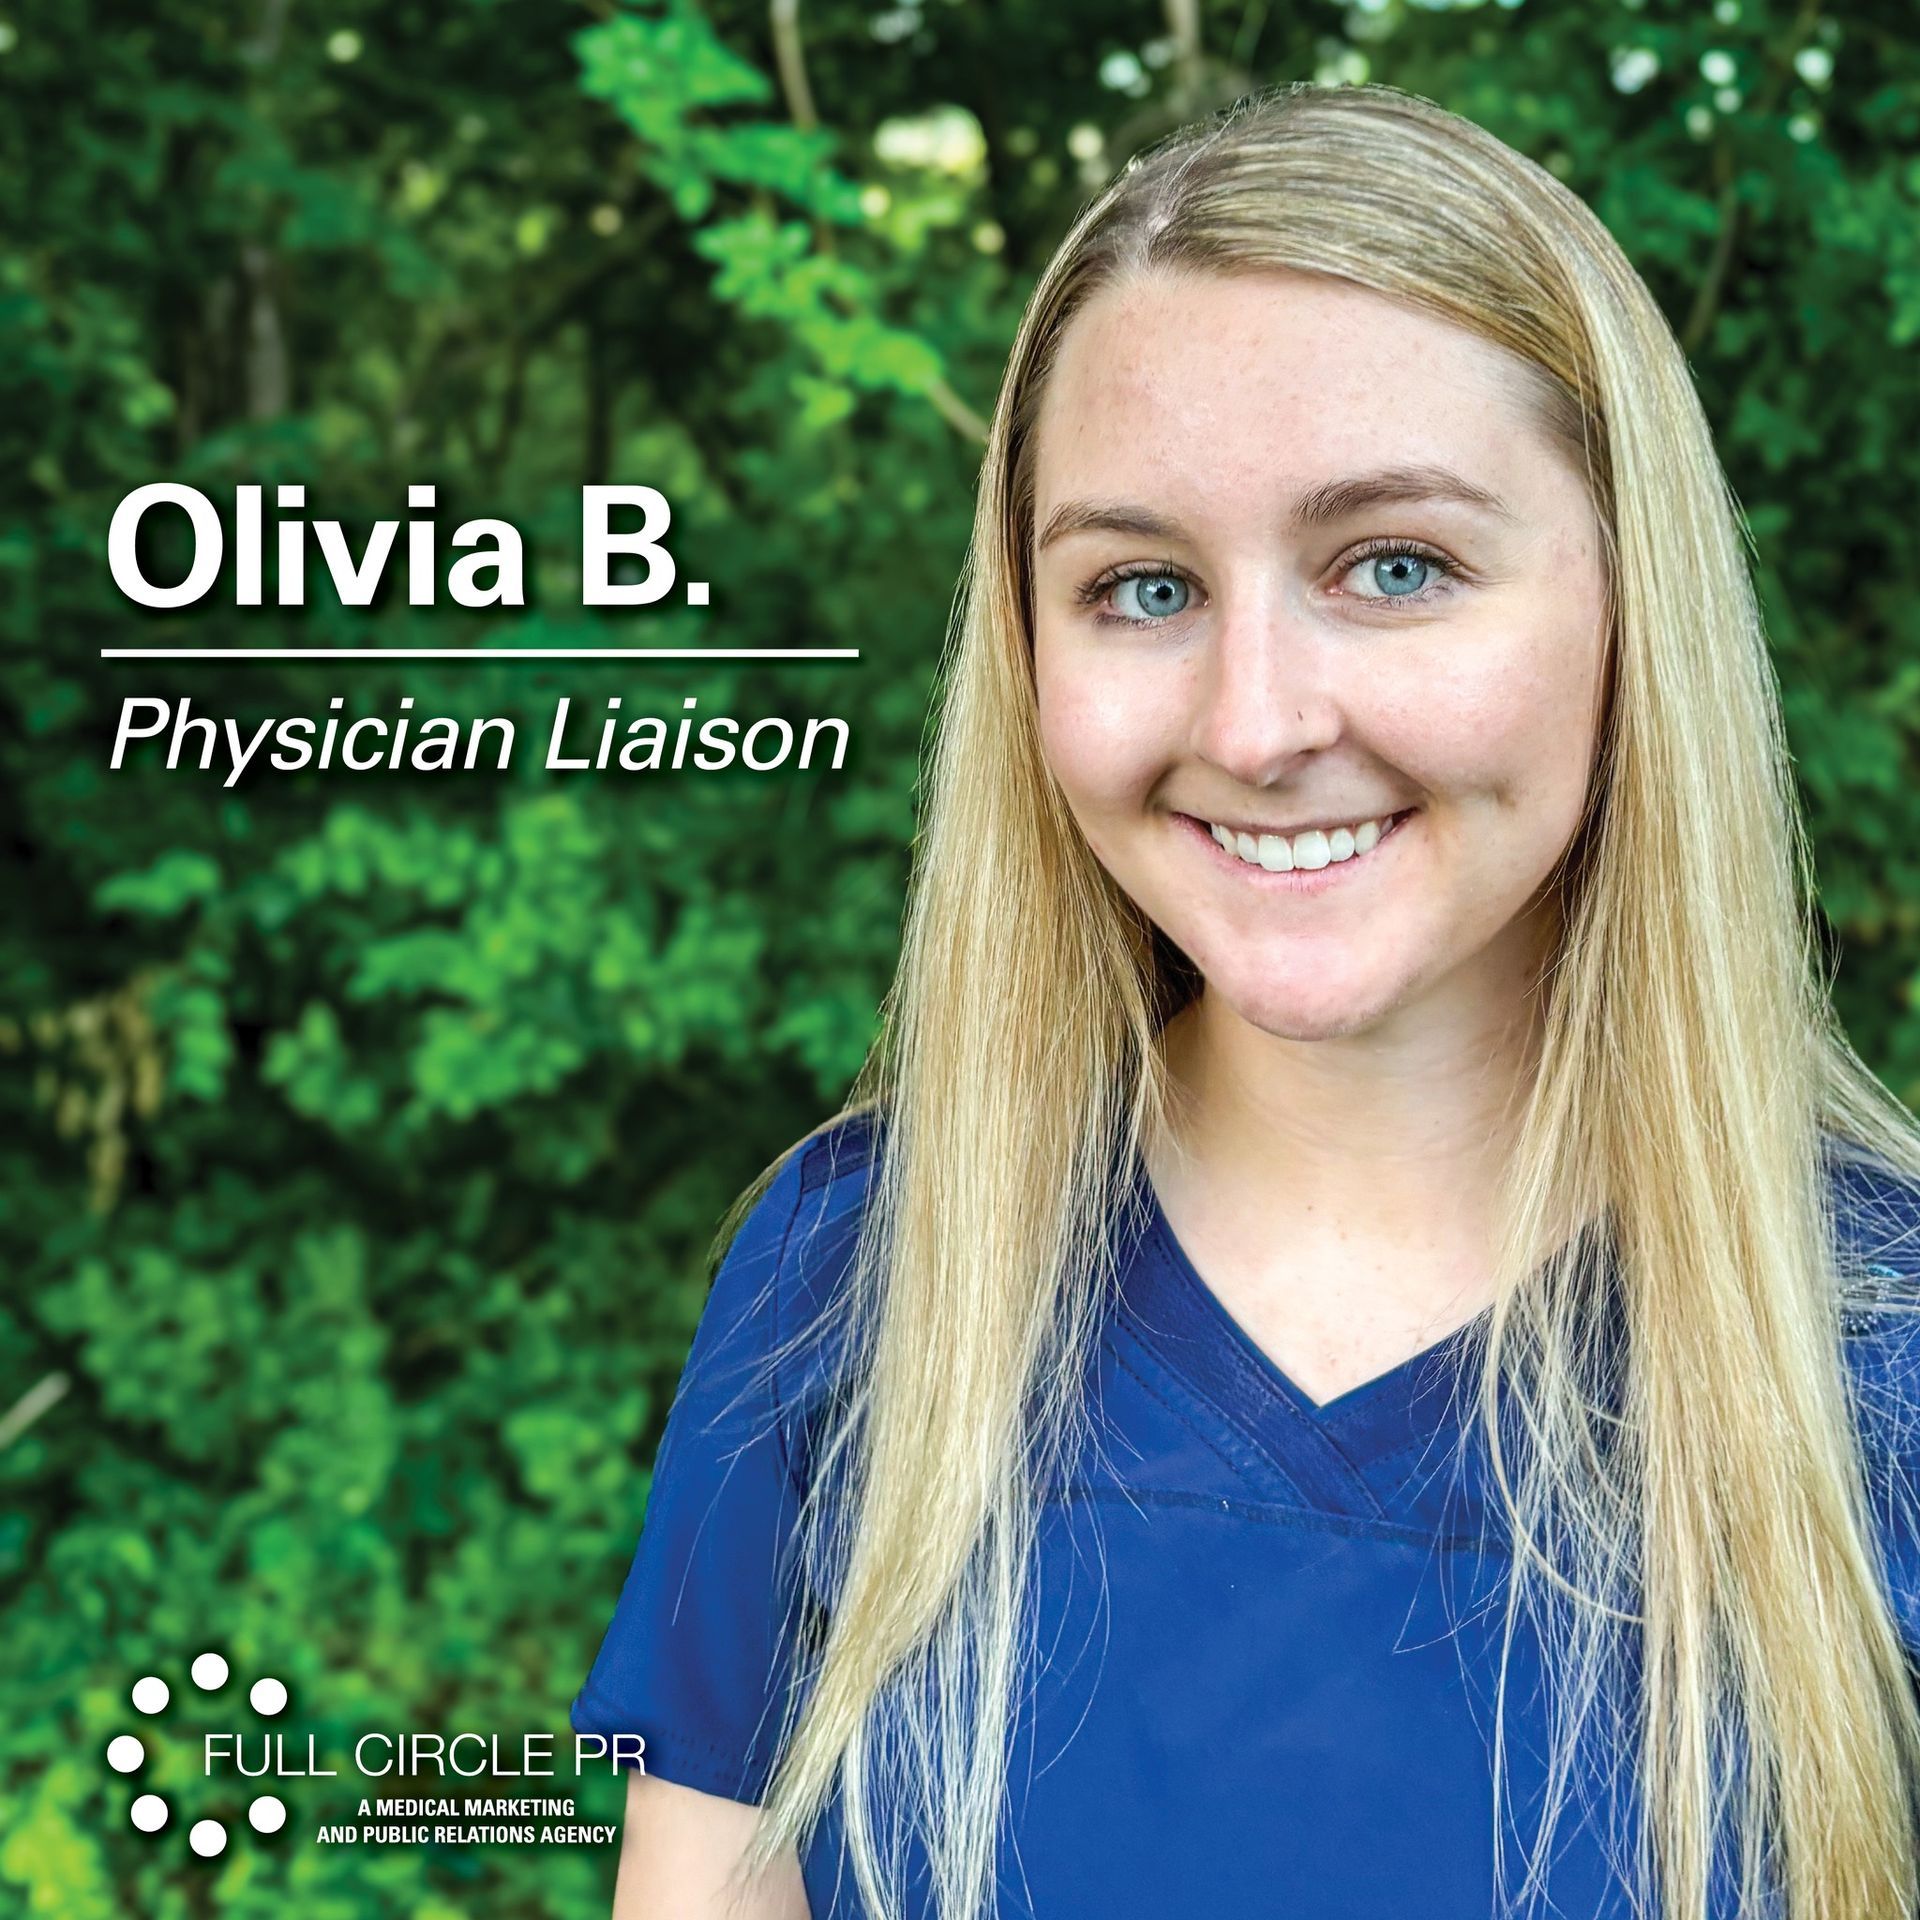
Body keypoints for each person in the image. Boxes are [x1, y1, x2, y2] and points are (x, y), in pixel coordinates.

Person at [572, 80, 1920, 1920]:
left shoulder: (1884, 1352)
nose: (1257, 724)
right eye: (1140, 587)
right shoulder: (856, 1277)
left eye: (1395, 566)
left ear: (1632, 604)